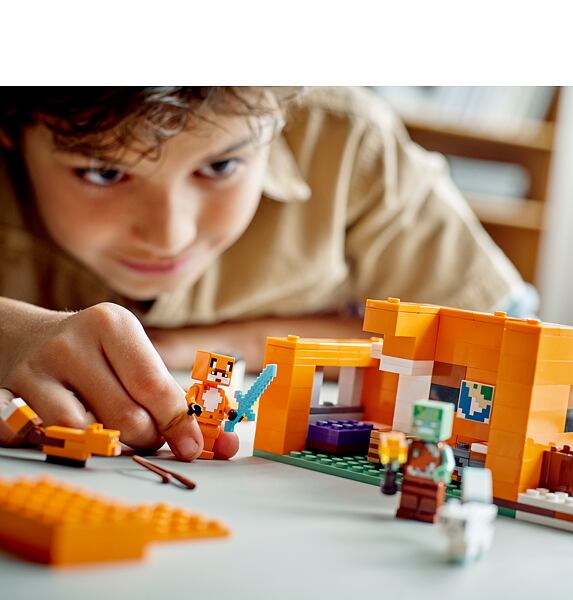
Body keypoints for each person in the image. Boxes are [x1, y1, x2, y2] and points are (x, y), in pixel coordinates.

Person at [0, 86, 525, 460]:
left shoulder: (348, 141)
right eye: (104, 172)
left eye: (221, 166)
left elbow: (491, 339)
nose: (170, 237)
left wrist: (189, 344)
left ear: (279, 116)